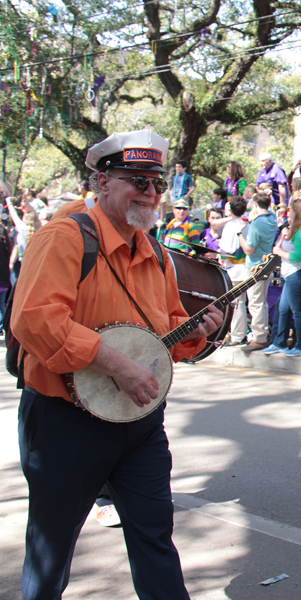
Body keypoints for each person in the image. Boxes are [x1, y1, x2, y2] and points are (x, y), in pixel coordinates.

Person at [12, 129, 223, 600]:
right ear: (102, 183)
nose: (149, 193)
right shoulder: (63, 238)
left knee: (154, 538)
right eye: (136, 181)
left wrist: (193, 333)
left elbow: (163, 330)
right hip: (64, 421)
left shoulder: (158, 254)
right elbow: (35, 319)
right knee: (51, 555)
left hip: (141, 421)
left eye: (157, 183)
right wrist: (113, 364)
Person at [265, 199, 301, 357]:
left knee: (298, 312)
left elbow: (298, 257)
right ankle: (280, 342)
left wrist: (279, 252)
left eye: (291, 210)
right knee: (283, 309)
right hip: (293, 274)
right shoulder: (295, 231)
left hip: (299, 273)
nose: (288, 212)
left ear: (297, 212)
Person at [239, 192, 279, 351]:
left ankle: (259, 337)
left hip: (255, 266)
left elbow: (249, 249)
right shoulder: (272, 218)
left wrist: (239, 234)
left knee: (255, 303)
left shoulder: (256, 223)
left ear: (255, 205)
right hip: (267, 265)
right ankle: (262, 333)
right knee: (262, 301)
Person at [219, 197, 250, 346]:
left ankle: (237, 335)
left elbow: (226, 250)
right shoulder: (247, 224)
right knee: (240, 303)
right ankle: (236, 334)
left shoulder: (230, 226)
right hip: (244, 267)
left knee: (237, 303)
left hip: (235, 268)